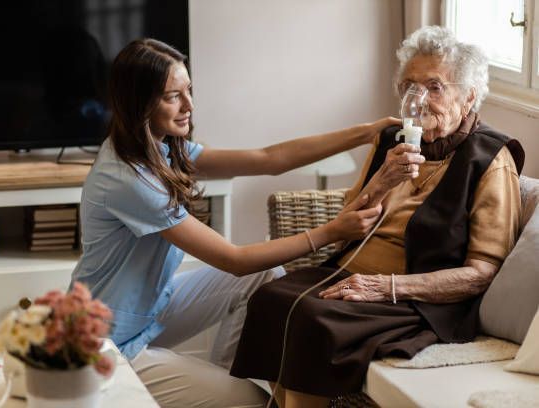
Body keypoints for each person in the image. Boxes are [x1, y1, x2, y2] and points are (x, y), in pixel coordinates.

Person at [70, 38, 398, 407]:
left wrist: (367, 131)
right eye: (172, 96)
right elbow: (233, 259)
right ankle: (230, 395)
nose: (189, 106)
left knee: (265, 278)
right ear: (139, 103)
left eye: (189, 91)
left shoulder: (160, 148)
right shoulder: (128, 179)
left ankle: (224, 384)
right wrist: (331, 232)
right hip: (106, 343)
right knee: (254, 401)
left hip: (148, 308)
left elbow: (269, 158)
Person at [230, 26, 525, 408]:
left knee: (310, 317)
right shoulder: (393, 140)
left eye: (434, 87)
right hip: (350, 276)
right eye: (409, 87)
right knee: (269, 298)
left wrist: (386, 287)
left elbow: (482, 272)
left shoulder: (490, 159)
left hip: (417, 300)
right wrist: (382, 182)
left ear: (468, 97)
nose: (418, 100)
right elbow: (343, 235)